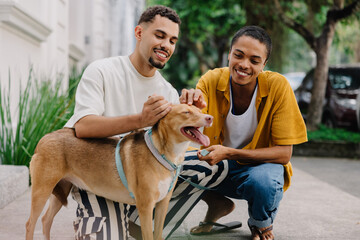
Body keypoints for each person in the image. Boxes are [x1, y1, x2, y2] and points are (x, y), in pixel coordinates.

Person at [64, 5, 227, 240]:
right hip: (98, 173)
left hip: (143, 180)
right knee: (106, 237)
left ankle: (141, 224)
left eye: (172, 40)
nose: (166, 46)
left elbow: (173, 153)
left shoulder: (168, 93)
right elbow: (82, 127)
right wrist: (140, 120)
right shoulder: (102, 70)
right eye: (159, 36)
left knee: (213, 166)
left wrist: (190, 112)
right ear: (139, 33)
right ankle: (113, 221)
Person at [180, 26, 307, 240]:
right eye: (238, 55)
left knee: (264, 182)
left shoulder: (278, 87)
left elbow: (284, 154)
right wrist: (188, 106)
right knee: (173, 165)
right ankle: (217, 204)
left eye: (254, 60)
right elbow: (191, 119)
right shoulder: (211, 80)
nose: (244, 65)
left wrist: (230, 153)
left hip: (258, 170)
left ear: (264, 64)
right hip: (218, 167)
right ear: (229, 54)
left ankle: (260, 223)